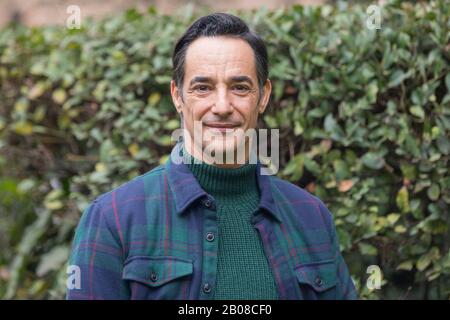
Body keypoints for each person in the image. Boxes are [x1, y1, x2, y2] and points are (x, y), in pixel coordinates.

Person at [66, 12, 357, 300]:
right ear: (178, 96)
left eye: (239, 87)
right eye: (202, 88)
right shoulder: (114, 218)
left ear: (264, 96)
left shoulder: (312, 217)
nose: (222, 106)